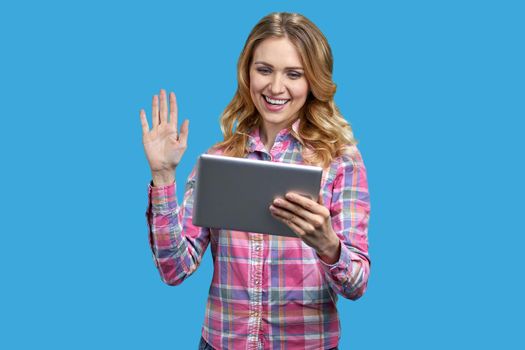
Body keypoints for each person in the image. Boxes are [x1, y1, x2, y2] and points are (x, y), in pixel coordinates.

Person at [140, 12, 371, 350]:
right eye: (264, 70)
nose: (275, 87)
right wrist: (163, 177)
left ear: (313, 81)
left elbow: (357, 285)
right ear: (247, 73)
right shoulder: (219, 161)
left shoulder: (340, 161)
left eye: (294, 74)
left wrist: (328, 245)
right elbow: (174, 269)